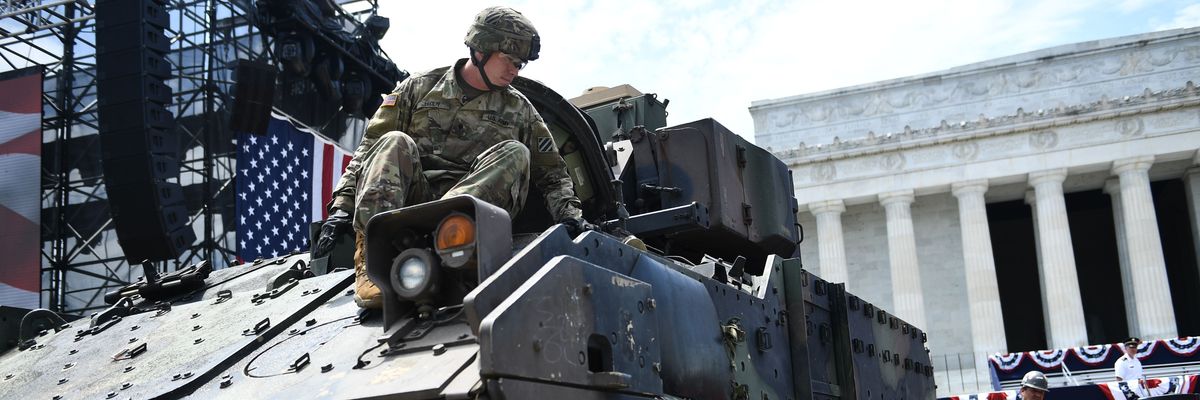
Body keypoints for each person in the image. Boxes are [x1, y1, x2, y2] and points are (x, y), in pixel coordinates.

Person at [312, 6, 586, 308]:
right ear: (481, 49)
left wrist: (570, 218)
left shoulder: (520, 111)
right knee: (393, 141)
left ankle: (446, 244)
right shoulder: (419, 88)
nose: (514, 70)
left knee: (516, 152)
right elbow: (370, 150)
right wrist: (341, 207)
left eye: (520, 64)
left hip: (470, 221)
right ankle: (374, 267)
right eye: (509, 60)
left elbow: (553, 175)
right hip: (413, 205)